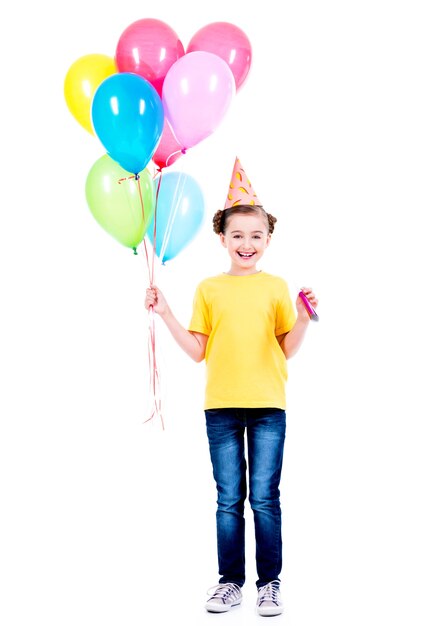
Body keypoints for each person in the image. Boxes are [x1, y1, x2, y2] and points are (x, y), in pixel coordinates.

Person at [145, 158, 318, 617]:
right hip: (220, 406)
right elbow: (198, 350)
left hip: (268, 406)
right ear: (221, 237)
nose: (247, 243)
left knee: (264, 497)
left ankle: (270, 584)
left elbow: (287, 349)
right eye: (237, 235)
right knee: (228, 499)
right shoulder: (209, 289)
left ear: (268, 239)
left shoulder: (276, 287)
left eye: (256, 235)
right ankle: (230, 582)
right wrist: (165, 314)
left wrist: (302, 319)